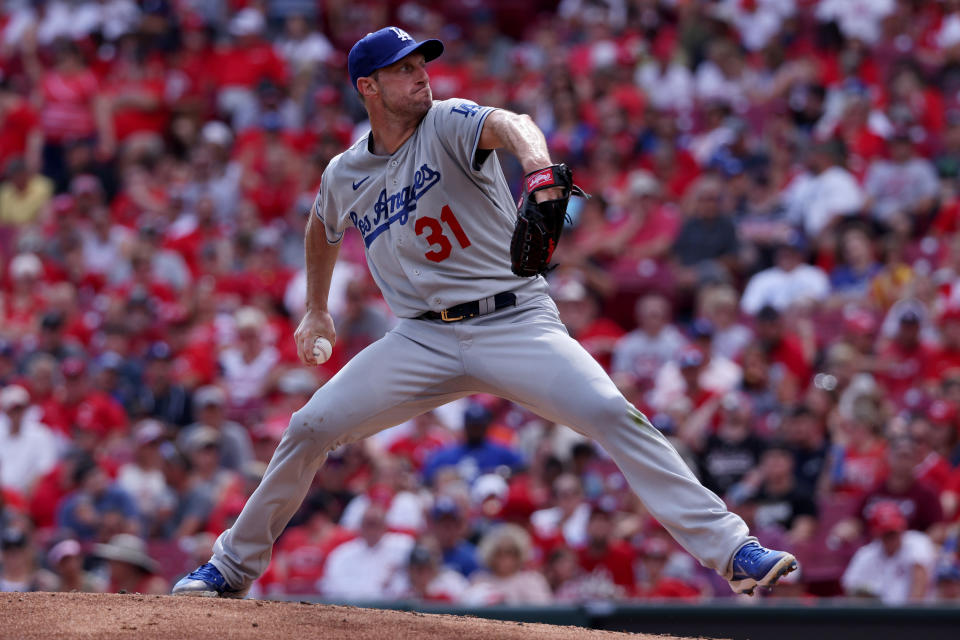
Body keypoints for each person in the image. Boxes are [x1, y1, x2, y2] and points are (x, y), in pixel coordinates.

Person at [173, 26, 796, 599]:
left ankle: (732, 548)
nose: (421, 75)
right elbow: (321, 224)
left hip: (513, 321)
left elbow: (514, 124)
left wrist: (538, 170)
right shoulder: (345, 172)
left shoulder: (446, 122)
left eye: (422, 63)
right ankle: (229, 567)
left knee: (610, 411)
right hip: (419, 339)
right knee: (308, 427)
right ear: (368, 87)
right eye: (403, 69)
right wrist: (315, 309)